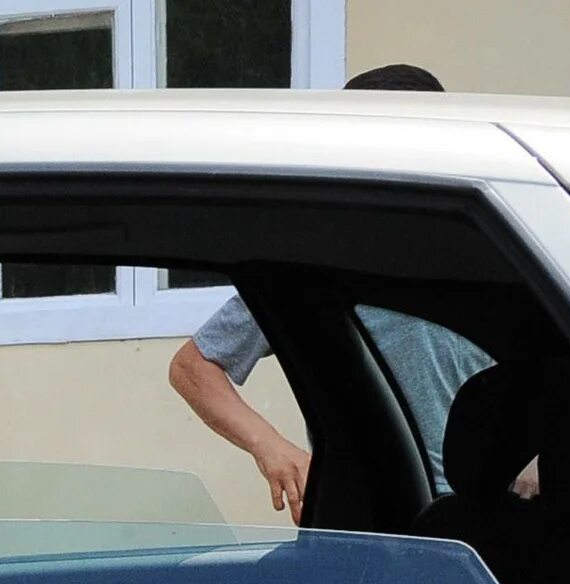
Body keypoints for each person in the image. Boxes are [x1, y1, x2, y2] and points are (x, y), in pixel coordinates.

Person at [165, 63, 511, 519]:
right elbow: (194, 368)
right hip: (372, 523)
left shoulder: (492, 249)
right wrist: (272, 448)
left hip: (488, 521)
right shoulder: (314, 263)